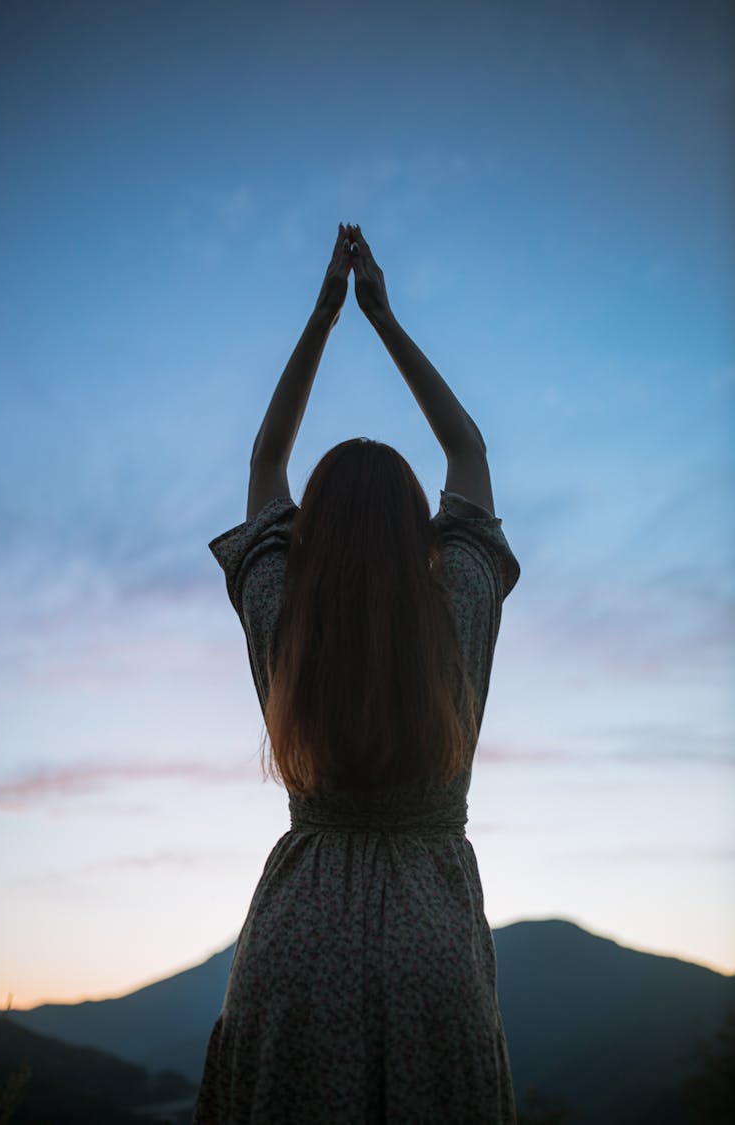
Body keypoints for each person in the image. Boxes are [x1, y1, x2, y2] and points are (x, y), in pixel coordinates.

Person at [193, 223, 521, 1124]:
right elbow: (471, 454)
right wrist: (384, 317)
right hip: (433, 937)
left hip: (298, 938)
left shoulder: (284, 621)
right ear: (424, 539)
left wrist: (323, 316)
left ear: (306, 545)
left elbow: (265, 459)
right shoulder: (457, 611)